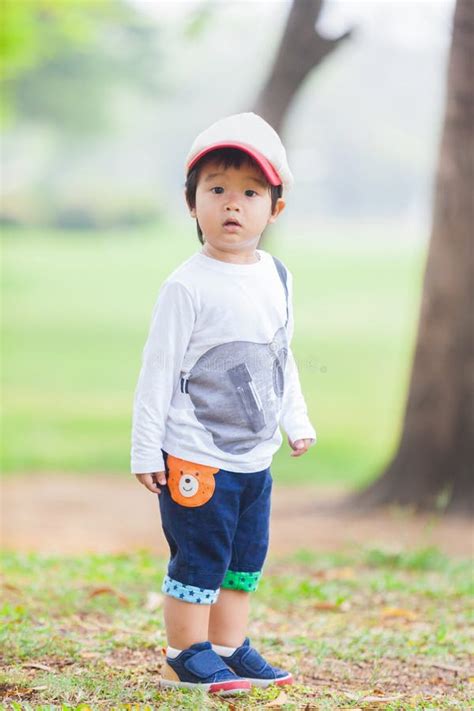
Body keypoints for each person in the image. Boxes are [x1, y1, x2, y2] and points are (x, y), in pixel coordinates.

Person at [131, 112, 317, 696]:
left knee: (243, 560)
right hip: (194, 457)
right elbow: (157, 371)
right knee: (199, 560)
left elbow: (279, 357)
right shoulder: (187, 285)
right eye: (216, 190)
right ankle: (184, 655)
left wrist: (297, 418)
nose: (232, 205)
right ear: (192, 204)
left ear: (274, 208)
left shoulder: (276, 276)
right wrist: (145, 448)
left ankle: (228, 647)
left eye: (249, 193)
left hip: (253, 460)